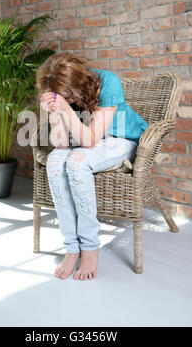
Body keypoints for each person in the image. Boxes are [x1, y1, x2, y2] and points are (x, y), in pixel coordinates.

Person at [36, 52, 148, 281]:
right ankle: (71, 247)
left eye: (67, 95)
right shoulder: (61, 94)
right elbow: (61, 143)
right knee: (55, 163)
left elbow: (90, 140)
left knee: (77, 164)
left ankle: (89, 247)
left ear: (77, 83)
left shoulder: (108, 82)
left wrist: (65, 109)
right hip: (87, 139)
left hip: (121, 137)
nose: (65, 99)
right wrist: (53, 112)